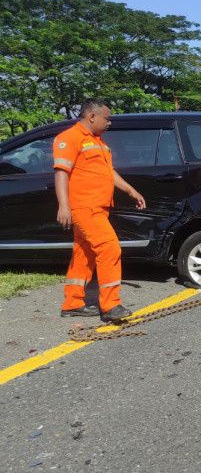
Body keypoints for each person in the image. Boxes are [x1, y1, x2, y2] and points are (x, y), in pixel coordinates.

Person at [53, 98, 146, 322]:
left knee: (84, 254)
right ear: (91, 116)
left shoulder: (100, 143)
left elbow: (109, 173)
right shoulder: (69, 138)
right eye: (107, 118)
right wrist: (64, 206)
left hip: (99, 207)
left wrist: (131, 191)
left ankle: (72, 303)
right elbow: (61, 173)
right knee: (110, 248)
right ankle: (111, 305)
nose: (110, 123)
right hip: (85, 207)